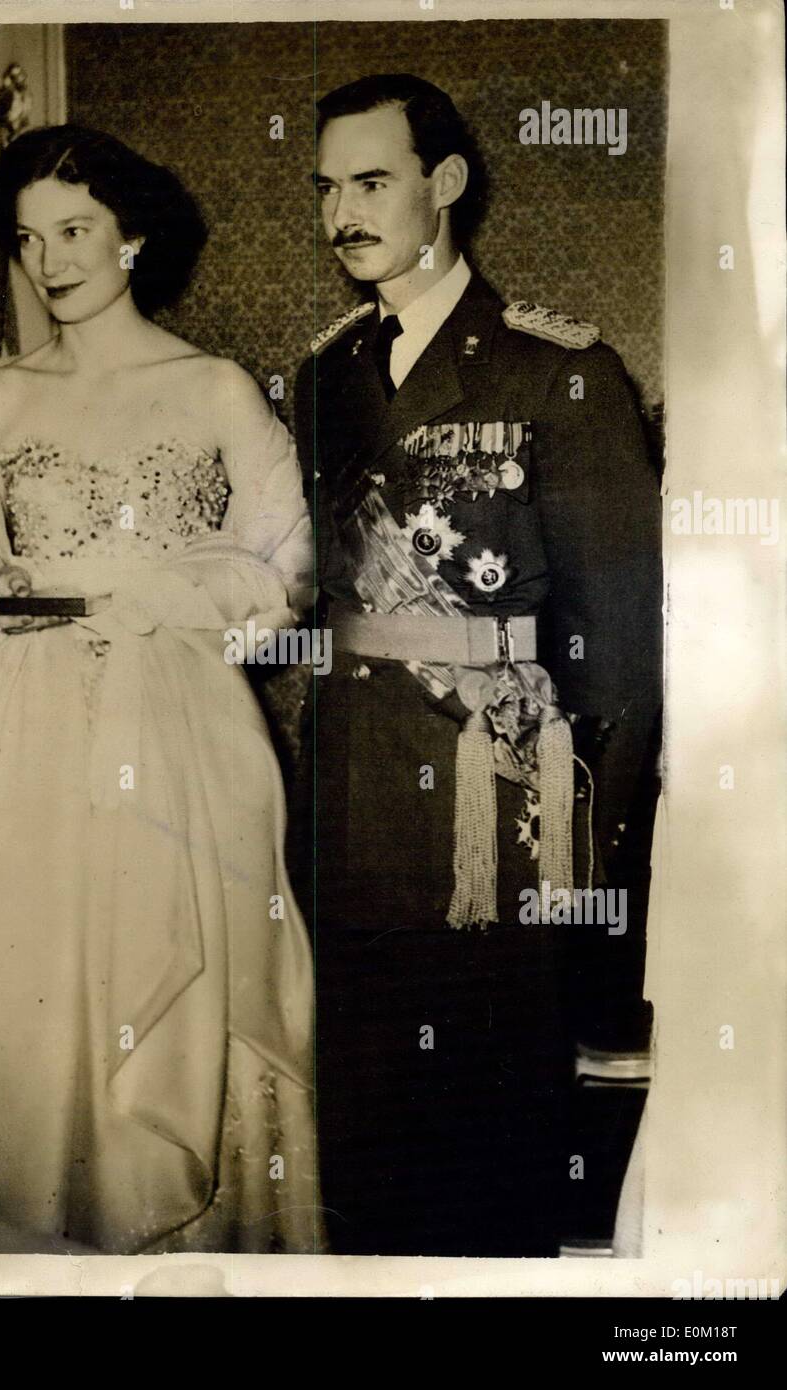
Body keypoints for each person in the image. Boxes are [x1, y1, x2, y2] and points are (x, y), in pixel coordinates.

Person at [0, 125, 320, 1255]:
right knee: (18, 978)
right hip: (16, 724)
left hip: (181, 723)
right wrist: (2, 600)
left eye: (76, 231)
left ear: (133, 236)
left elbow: (287, 576)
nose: (50, 261)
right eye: (29, 239)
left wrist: (157, 592)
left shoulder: (215, 386)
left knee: (183, 968)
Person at [292, 75, 662, 1256]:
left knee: (485, 1156)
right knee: (364, 1148)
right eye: (327, 188)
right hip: (353, 800)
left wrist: (581, 864)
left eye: (371, 182)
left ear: (444, 185)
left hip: (495, 814)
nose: (341, 212)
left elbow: (620, 657)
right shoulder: (327, 374)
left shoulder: (558, 369)